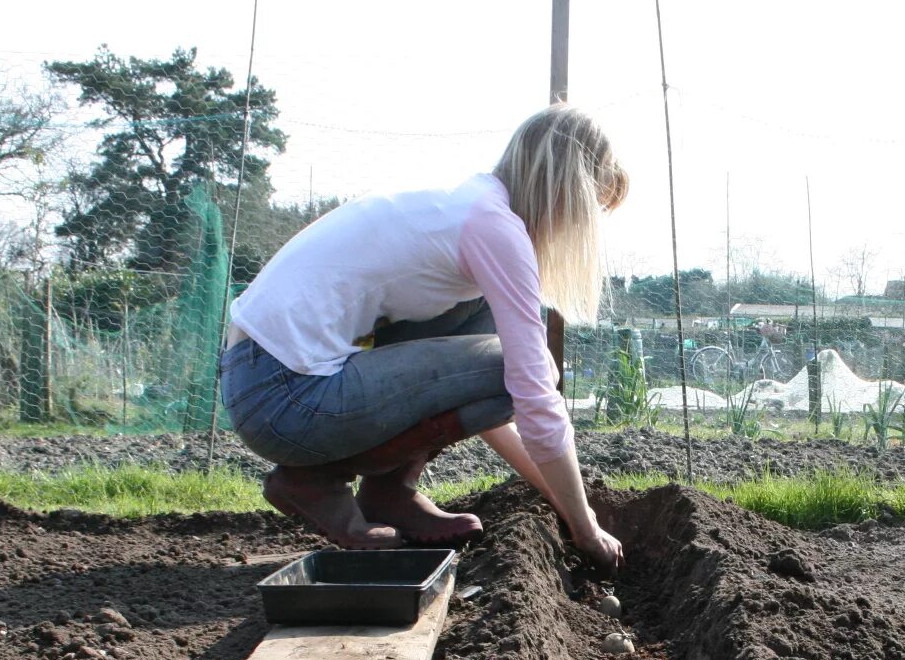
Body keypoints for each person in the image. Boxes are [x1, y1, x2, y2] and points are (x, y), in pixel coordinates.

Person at [220, 105, 627, 572]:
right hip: (284, 399)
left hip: (258, 378)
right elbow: (528, 390)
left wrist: (565, 503)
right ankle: (316, 479)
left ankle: (390, 492)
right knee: (523, 369)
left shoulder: (465, 209)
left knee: (484, 319)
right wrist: (585, 527)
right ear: (569, 189)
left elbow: (482, 402)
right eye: (591, 207)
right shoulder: (492, 229)